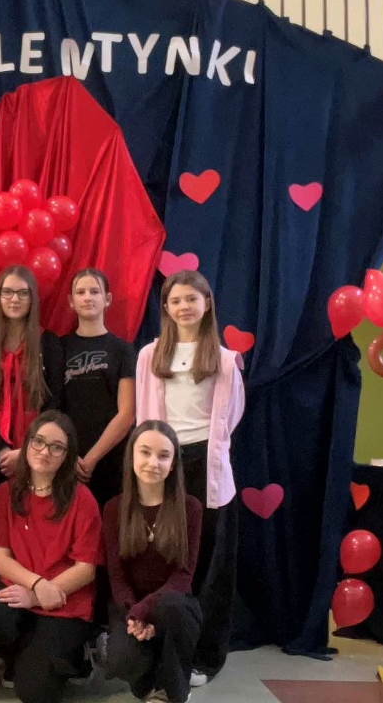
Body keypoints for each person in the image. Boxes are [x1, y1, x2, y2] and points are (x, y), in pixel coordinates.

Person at [135, 270, 245, 687]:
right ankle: (158, 647)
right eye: (176, 300)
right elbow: (144, 415)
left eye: (191, 300)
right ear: (165, 307)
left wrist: (206, 452)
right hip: (163, 462)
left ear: (206, 304)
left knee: (208, 567)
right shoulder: (150, 356)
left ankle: (205, 657)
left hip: (207, 468)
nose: (184, 307)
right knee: (163, 559)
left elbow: (231, 416)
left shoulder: (225, 360)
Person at [0, 411, 103, 703]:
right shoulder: (4, 494)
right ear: (26, 444)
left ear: (67, 455)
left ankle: (75, 658)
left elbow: (86, 570)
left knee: (35, 693)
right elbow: (1, 559)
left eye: (56, 447)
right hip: (23, 590)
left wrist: (38, 595)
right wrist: (35, 586)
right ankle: (20, 655)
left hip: (65, 599)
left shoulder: (83, 499)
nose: (45, 451)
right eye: (38, 442)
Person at [102, 420, 203, 703]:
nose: (153, 463)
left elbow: (183, 577)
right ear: (132, 456)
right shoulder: (114, 509)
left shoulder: (190, 508)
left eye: (163, 455)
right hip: (130, 607)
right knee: (119, 659)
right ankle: (149, 683)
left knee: (172, 606)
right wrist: (135, 616)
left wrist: (145, 610)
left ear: (172, 465)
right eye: (145, 452)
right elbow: (117, 577)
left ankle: (173, 688)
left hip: (174, 608)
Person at [0, 265, 63, 497]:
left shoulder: (49, 343)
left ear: (32, 298)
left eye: (22, 293)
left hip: (39, 448)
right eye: (7, 292)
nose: (14, 299)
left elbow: (55, 401)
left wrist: (28, 448)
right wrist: (1, 449)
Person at [61, 268, 136, 509]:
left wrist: (91, 459)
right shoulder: (58, 347)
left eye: (94, 291)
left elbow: (127, 413)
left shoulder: (123, 350)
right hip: (66, 457)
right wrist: (68, 453)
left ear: (107, 299)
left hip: (110, 458)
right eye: (80, 292)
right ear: (71, 301)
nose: (87, 297)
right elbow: (51, 408)